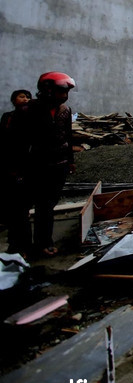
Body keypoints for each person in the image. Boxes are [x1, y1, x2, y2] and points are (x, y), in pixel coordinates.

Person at [24, 73, 77, 257]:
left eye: (66, 92)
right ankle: (21, 246)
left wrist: (70, 160)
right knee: (23, 206)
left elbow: (68, 137)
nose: (64, 96)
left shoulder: (65, 111)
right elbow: (18, 141)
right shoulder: (29, 110)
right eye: (61, 91)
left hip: (58, 165)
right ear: (47, 91)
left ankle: (43, 242)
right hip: (35, 165)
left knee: (47, 206)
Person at [1, 89, 33, 255]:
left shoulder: (32, 118)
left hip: (26, 168)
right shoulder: (8, 117)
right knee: (12, 209)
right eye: (22, 96)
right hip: (10, 167)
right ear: (14, 100)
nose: (26, 99)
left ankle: (25, 245)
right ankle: (14, 243)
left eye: (28, 97)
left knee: (22, 209)